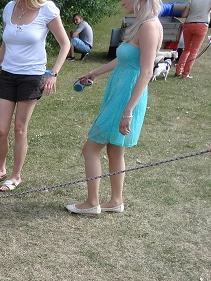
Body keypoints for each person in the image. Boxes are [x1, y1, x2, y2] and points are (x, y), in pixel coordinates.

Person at [66, 0, 163, 215]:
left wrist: (128, 111)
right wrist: (95, 73)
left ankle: (92, 202)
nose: (121, 2)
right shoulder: (141, 23)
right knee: (114, 149)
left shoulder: (149, 26)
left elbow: (147, 72)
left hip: (126, 96)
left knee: (90, 149)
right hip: (120, 92)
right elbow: (123, 59)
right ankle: (116, 201)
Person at [0, 0, 70, 192]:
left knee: (20, 129)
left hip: (31, 76)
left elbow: (65, 44)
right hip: (8, 75)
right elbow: (4, 45)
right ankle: (1, 170)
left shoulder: (47, 9)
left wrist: (53, 74)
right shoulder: (9, 7)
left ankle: (16, 176)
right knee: (1, 130)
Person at [174, 0, 211, 78]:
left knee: (186, 50)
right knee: (194, 51)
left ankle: (178, 71)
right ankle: (185, 74)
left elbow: (184, 15)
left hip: (188, 24)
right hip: (202, 25)